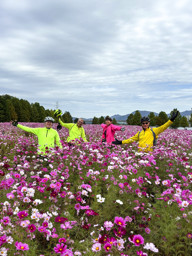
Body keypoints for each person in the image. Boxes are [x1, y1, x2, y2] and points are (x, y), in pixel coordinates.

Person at [112, 111, 178, 152]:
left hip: (149, 154)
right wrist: (121, 142)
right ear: (141, 124)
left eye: (146, 123)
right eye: (143, 123)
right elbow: (131, 140)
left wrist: (171, 120)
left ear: (149, 123)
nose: (145, 124)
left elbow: (163, 127)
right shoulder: (139, 133)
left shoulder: (154, 131)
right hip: (140, 154)